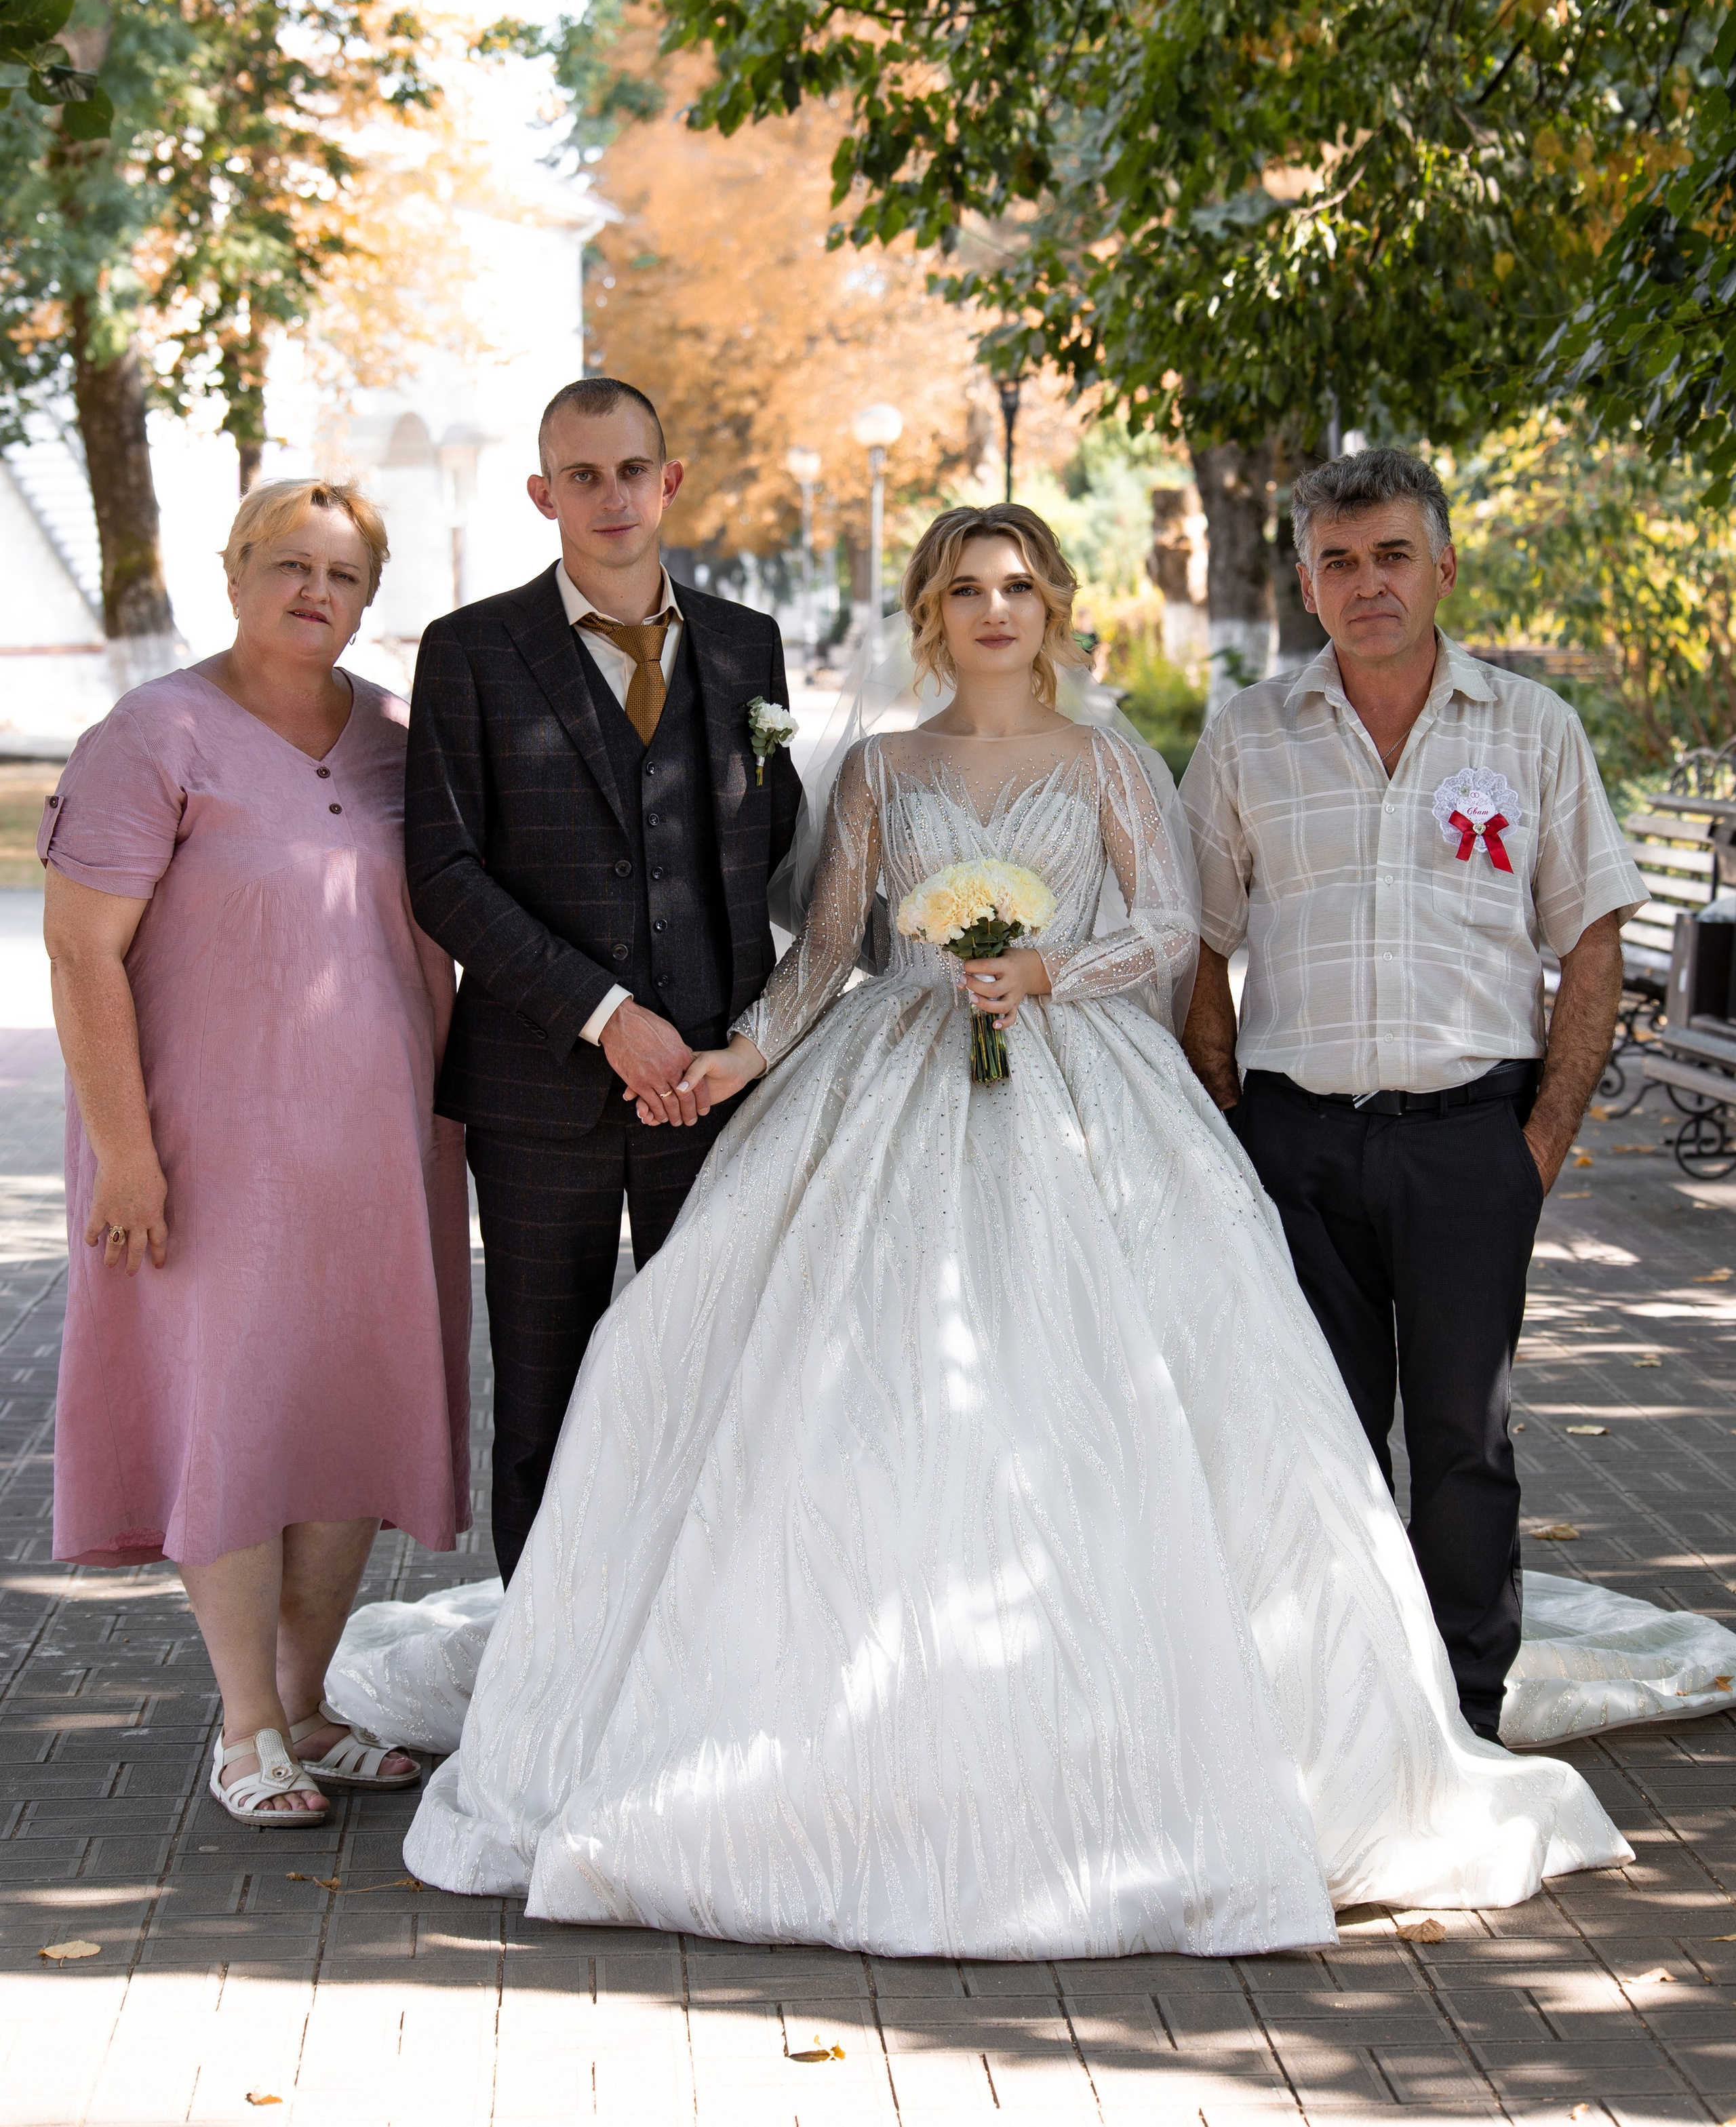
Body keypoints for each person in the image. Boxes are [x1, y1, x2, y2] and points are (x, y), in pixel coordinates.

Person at [369, 500, 1626, 1959]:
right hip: (894, 1082)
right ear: (929, 611)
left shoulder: (1105, 759)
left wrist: (1049, 964)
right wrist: (734, 1060)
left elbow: (1170, 930)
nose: (993, 611)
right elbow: (829, 954)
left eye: (1018, 585)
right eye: (966, 587)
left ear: (1053, 606)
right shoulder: (878, 775)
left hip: (1088, 1085)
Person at [1179, 445, 1648, 1746]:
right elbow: (1196, 944)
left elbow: (1591, 939)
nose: (1368, 582)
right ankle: (1331, 1706)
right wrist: (1230, 1124)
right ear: (1308, 584)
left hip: (1469, 1142)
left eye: (1393, 555)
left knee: (1463, 1438)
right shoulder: (1246, 736)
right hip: (1296, 1145)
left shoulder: (1533, 729)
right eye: (1339, 561)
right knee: (1316, 1435)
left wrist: (1539, 1144)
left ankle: (1466, 1712)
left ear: (1443, 567)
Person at [41, 479, 471, 1826]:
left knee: (346, 1414)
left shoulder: (404, 739)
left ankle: (309, 1700)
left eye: (344, 575)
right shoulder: (152, 733)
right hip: (206, 1152)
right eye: (288, 564)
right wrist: (126, 1151)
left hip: (384, 1146)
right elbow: (78, 949)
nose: (314, 593)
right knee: (231, 1416)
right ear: (231, 571)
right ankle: (242, 1726)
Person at [403, 376, 802, 1585]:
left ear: (669, 479)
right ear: (543, 494)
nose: (612, 495)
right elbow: (444, 871)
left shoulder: (746, 645)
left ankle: (683, 1665)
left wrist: (720, 1037)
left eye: (632, 469)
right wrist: (606, 1014)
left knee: (711, 1386)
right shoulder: (471, 651)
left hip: (714, 1089)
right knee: (543, 1398)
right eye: (582, 475)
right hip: (540, 1097)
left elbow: (768, 834)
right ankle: (540, 1677)